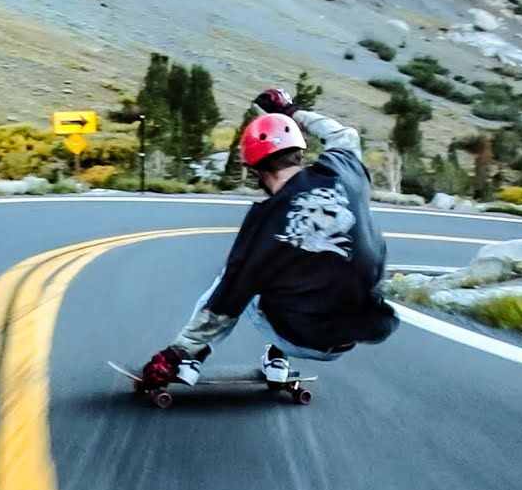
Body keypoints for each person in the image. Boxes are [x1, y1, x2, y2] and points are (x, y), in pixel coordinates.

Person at [140, 87, 399, 388]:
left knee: (236, 278)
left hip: (301, 338)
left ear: (254, 168)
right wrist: (292, 112)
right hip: (353, 336)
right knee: (307, 269)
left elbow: (225, 304)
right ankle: (277, 360)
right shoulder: (342, 171)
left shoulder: (265, 222)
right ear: (299, 152)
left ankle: (189, 360)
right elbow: (345, 135)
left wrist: (172, 354)